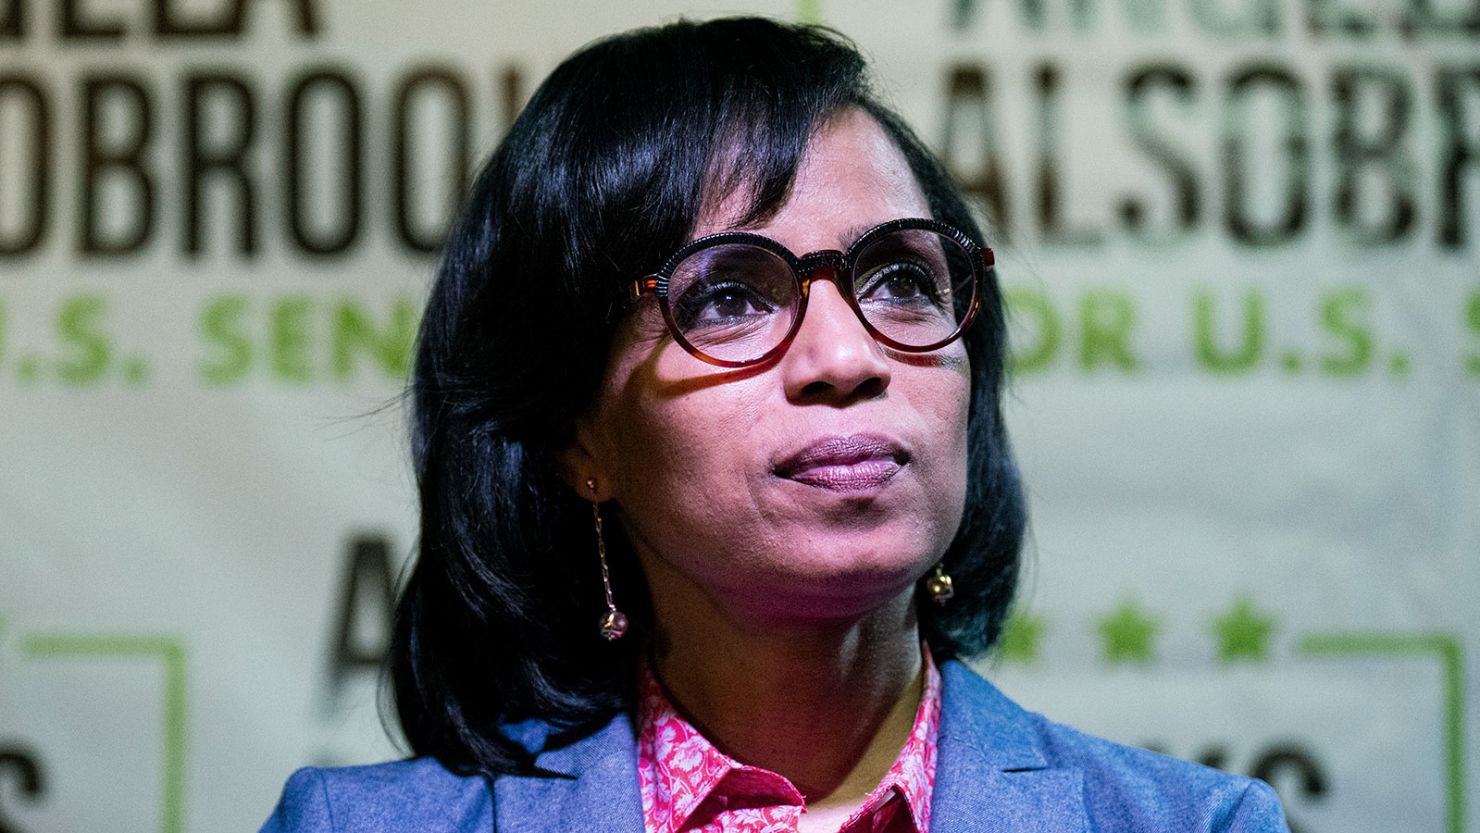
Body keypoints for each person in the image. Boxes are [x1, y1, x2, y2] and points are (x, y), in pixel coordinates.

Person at [260, 16, 1289, 833]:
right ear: (581, 435)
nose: (848, 358)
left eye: (900, 279)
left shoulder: (1199, 822)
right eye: (729, 297)